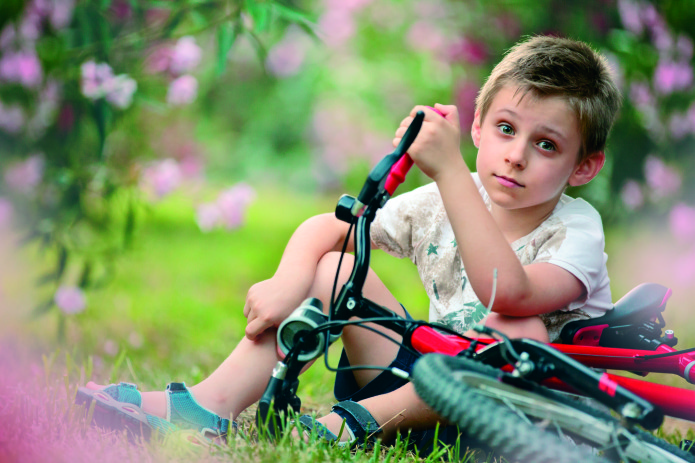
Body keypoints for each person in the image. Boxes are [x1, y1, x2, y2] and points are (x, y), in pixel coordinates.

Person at [77, 35, 621, 450]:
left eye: (546, 144)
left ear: (584, 167)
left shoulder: (575, 232)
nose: (517, 155)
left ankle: (347, 425)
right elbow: (334, 226)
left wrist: (452, 172)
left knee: (516, 330)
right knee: (337, 266)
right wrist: (286, 282)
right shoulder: (445, 198)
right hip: (416, 389)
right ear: (477, 126)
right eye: (506, 129)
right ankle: (210, 405)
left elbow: (511, 294)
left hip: (507, 418)